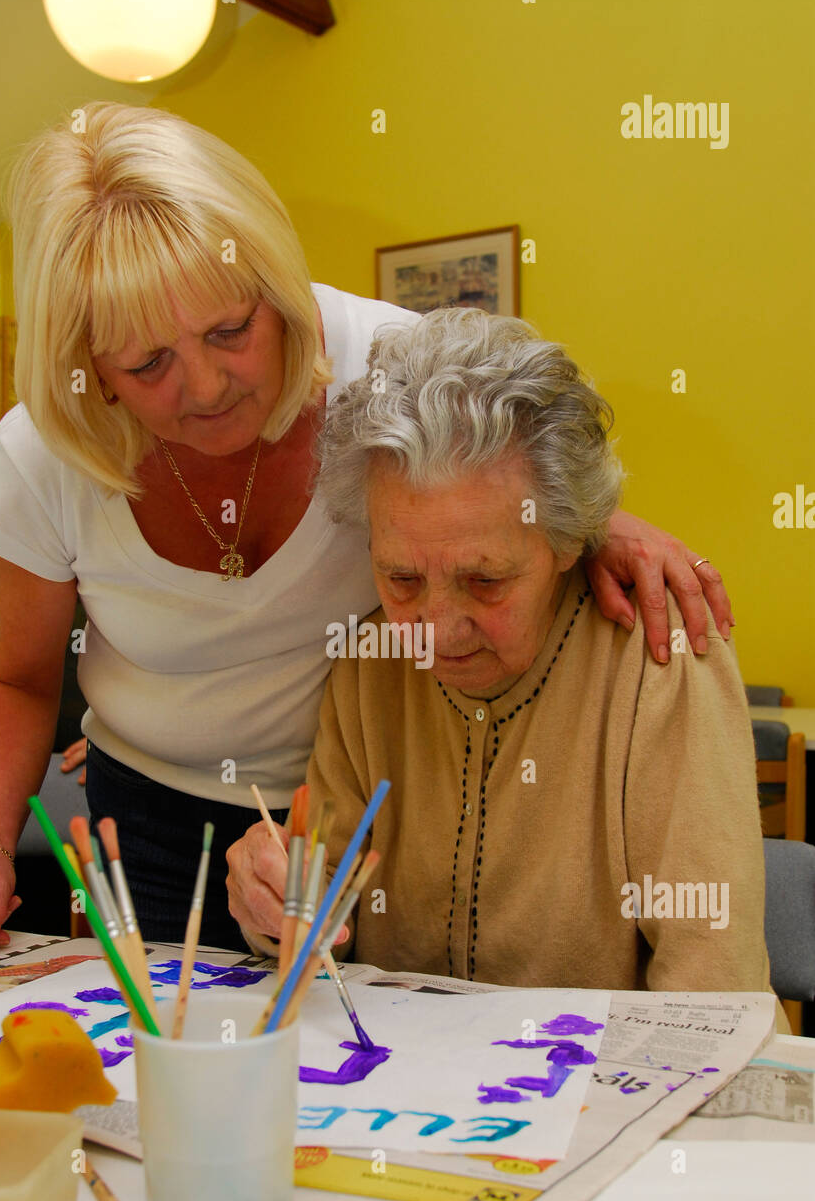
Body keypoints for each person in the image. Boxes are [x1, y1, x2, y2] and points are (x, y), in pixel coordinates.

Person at [0, 101, 732, 951]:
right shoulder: (44, 456)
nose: (210, 386)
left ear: (277, 289)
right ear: (91, 369)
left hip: (361, 806)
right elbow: (21, 677)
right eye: (148, 363)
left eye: (232, 330)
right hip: (145, 812)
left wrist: (597, 524)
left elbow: (510, 465)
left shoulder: (387, 363)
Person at [226, 308, 785, 1027]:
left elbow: (712, 991)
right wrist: (274, 898)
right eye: (400, 580)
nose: (432, 631)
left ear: (568, 542)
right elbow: (324, 905)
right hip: (408, 1102)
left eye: (485, 582)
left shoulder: (657, 659)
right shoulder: (369, 659)